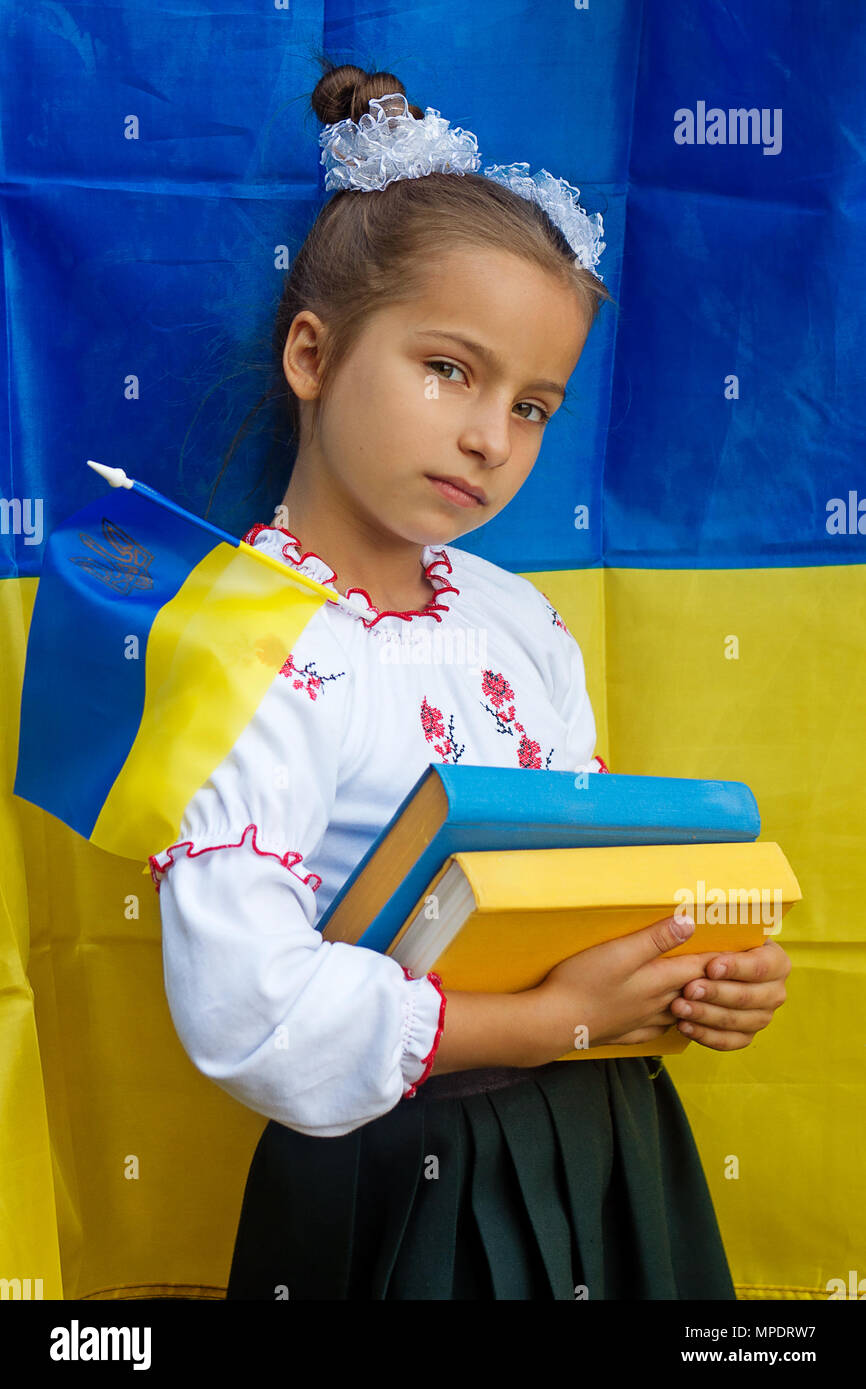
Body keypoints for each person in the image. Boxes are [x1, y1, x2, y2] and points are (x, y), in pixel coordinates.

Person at [148, 63, 791, 1300]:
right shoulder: (239, 646)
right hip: (402, 1178)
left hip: (606, 1140)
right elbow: (247, 1006)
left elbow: (591, 887)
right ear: (312, 352)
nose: (492, 437)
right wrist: (554, 1022)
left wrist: (686, 963)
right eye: (450, 368)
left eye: (534, 404)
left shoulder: (519, 620)